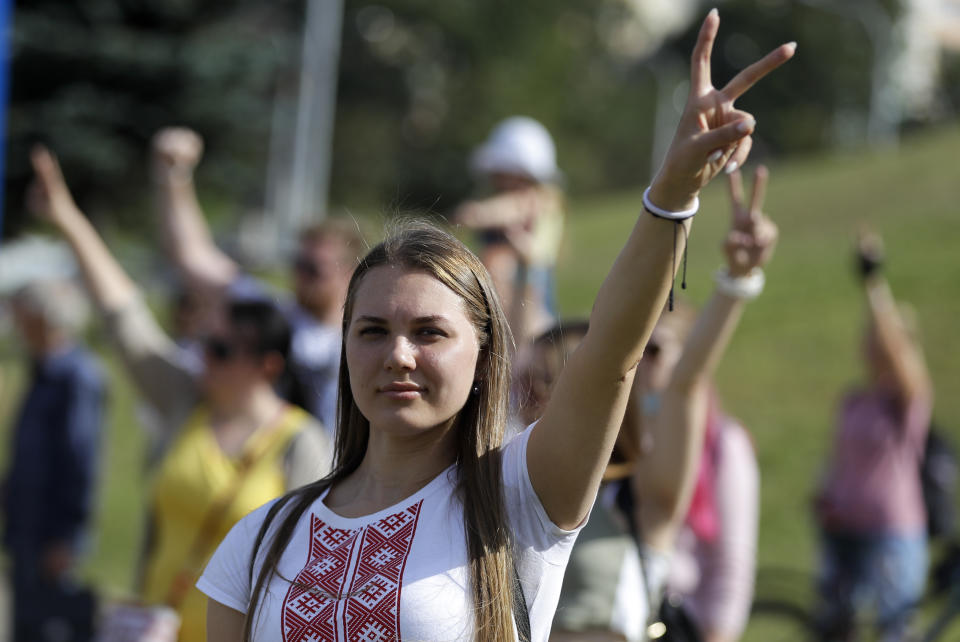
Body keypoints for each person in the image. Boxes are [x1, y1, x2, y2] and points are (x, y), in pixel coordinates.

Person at [197, 11, 795, 641]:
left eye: (429, 332)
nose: (398, 354)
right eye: (372, 331)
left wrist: (671, 195)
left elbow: (611, 352)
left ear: (484, 356)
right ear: (344, 349)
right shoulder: (262, 537)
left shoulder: (522, 497)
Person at [26, 148, 334, 642]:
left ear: (266, 366)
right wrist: (67, 219)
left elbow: (314, 574)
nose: (201, 357)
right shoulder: (187, 401)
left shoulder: (303, 444)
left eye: (218, 349)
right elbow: (124, 317)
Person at [541, 168, 775, 642]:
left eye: (655, 350)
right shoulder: (533, 473)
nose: (641, 363)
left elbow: (686, 383)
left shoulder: (645, 494)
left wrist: (735, 280)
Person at [151, 127, 364, 434]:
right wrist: (175, 175)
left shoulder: (368, 334)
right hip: (272, 471)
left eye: (314, 268)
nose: (301, 275)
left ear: (350, 272)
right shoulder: (271, 315)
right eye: (297, 263)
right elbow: (192, 255)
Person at [813, 229, 933, 642]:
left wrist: (871, 280)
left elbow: (896, 348)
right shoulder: (855, 400)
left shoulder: (907, 398)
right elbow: (838, 460)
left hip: (890, 537)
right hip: (843, 531)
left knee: (894, 633)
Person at [2, 278, 104, 641]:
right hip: (27, 529)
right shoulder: (42, 370)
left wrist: (68, 536)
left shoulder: (76, 377)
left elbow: (81, 459)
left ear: (42, 318)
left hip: (51, 537)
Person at [453, 116, 565, 347]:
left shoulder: (543, 200)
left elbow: (514, 207)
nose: (495, 178)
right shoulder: (500, 202)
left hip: (531, 312)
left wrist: (478, 214)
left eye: (502, 172)